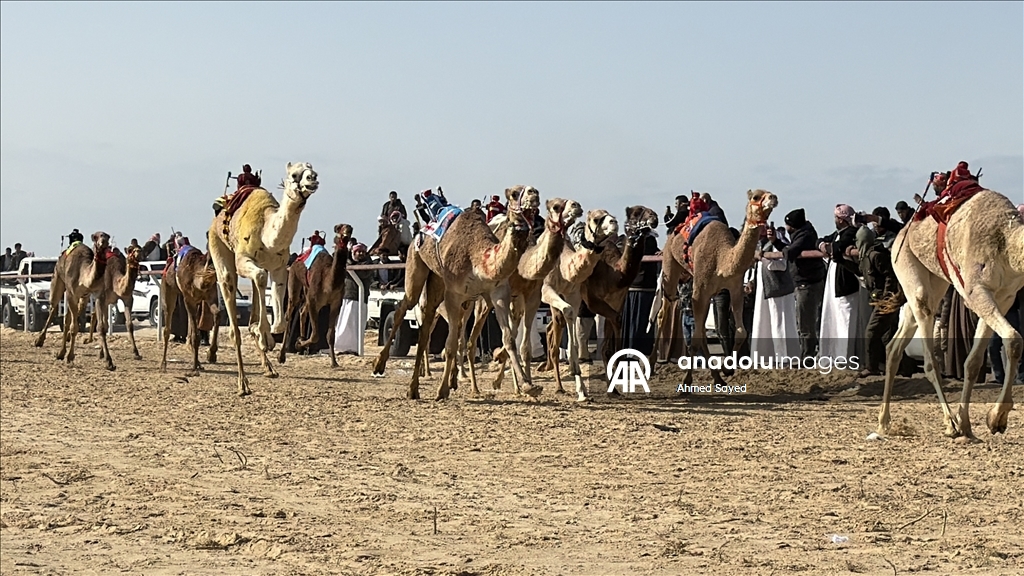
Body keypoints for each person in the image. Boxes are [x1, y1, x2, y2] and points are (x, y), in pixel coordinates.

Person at [766, 208, 826, 358]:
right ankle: (808, 354)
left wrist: (779, 245)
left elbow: (790, 252)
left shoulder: (805, 236)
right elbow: (790, 251)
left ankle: (808, 356)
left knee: (806, 323)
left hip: (807, 283)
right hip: (804, 282)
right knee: (807, 321)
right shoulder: (803, 233)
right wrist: (776, 242)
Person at [849, 226, 905, 377]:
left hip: (886, 301)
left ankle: (872, 367)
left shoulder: (875, 255)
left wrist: (887, 296)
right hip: (880, 300)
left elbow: (890, 276)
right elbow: (862, 272)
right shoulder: (867, 256)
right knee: (886, 335)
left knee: (871, 332)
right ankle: (903, 368)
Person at [818, 204, 868, 366]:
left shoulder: (852, 232)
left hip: (846, 282)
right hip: (835, 282)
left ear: (841, 220)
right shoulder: (839, 233)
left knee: (846, 320)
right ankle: (831, 356)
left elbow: (839, 247)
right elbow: (822, 240)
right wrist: (822, 245)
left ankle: (845, 359)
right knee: (833, 318)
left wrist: (829, 247)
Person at [751, 225, 799, 358]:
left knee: (780, 323)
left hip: (778, 290)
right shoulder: (759, 244)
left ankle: (783, 356)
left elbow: (782, 265)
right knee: (764, 322)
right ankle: (766, 355)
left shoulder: (780, 241)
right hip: (765, 289)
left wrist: (764, 258)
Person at [334, 243, 374, 355]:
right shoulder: (348, 262)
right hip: (348, 296)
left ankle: (355, 348)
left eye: (362, 252)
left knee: (357, 325)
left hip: (360, 299)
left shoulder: (368, 264)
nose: (360, 254)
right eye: (358, 252)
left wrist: (349, 263)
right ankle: (341, 347)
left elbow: (361, 274)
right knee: (345, 323)